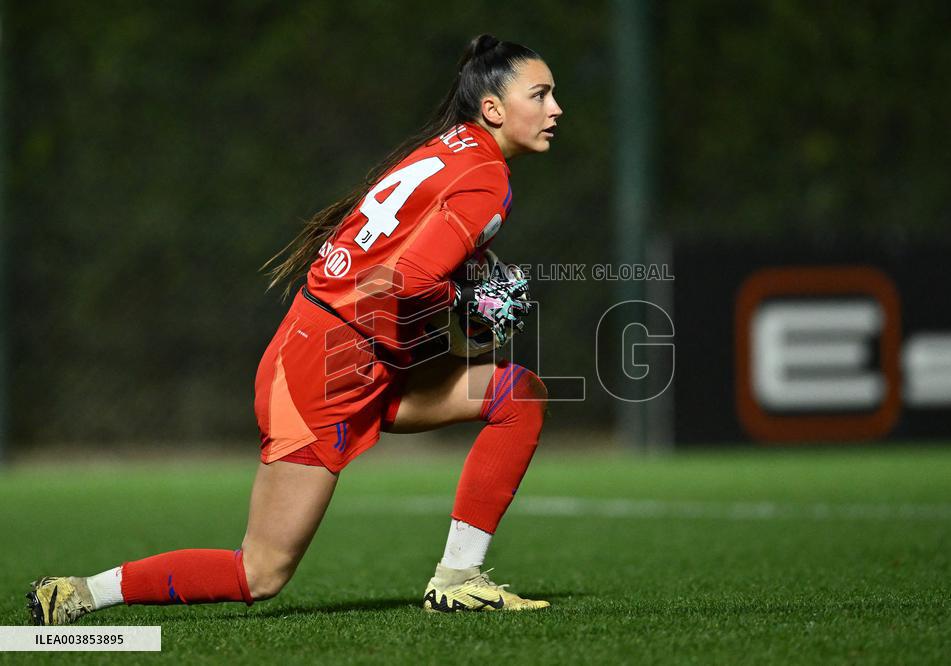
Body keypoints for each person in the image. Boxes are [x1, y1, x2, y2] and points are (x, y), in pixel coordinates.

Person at [27, 33, 563, 625]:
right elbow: (407, 280)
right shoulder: (488, 178)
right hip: (323, 370)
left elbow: (390, 264)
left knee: (519, 395)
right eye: (539, 95)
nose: (554, 108)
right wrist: (466, 297)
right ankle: (78, 593)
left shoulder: (453, 147)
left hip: (355, 350)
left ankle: (459, 577)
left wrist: (457, 291)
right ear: (492, 109)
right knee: (259, 573)